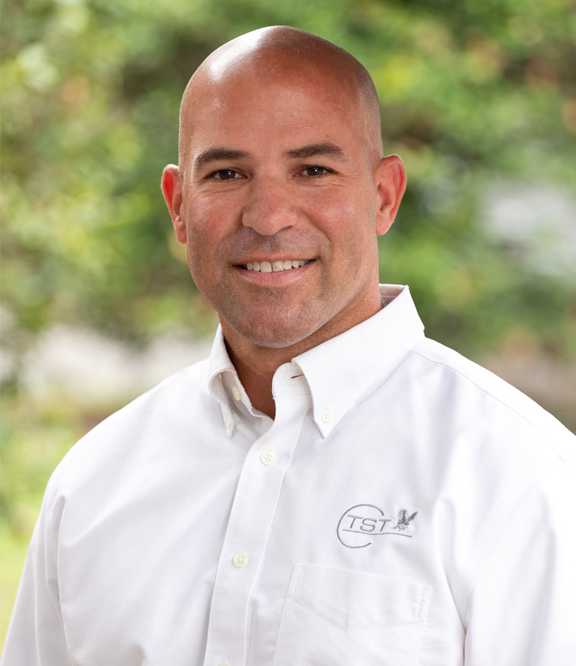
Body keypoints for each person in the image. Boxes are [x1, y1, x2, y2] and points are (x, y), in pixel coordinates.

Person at [2, 25, 575, 666]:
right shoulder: (92, 482)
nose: (268, 215)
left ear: (383, 196)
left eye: (313, 170)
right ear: (179, 205)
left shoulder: (522, 479)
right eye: (227, 173)